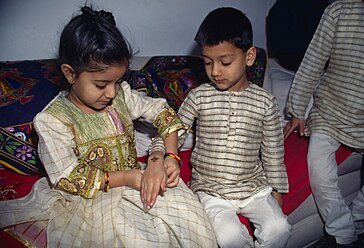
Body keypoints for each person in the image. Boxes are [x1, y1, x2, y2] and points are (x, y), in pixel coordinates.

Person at [0, 6, 217, 247]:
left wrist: (170, 155)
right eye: (102, 84)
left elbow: (162, 112)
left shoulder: (121, 96)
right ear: (70, 74)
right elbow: (68, 177)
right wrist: (126, 177)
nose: (111, 92)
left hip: (138, 176)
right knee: (135, 239)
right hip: (93, 198)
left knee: (191, 219)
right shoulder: (53, 120)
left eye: (118, 81)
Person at [178, 7, 291, 248]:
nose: (215, 71)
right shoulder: (199, 96)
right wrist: (160, 154)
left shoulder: (265, 101)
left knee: (279, 228)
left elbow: (273, 151)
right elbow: (172, 130)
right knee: (227, 237)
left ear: (249, 57)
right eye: (208, 62)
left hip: (253, 187)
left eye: (225, 61)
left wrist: (277, 190)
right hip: (210, 188)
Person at [283, 0, 364, 247]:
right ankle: (344, 234)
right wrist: (297, 110)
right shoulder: (339, 10)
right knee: (319, 169)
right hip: (329, 110)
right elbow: (313, 60)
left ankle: (356, 220)